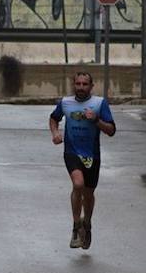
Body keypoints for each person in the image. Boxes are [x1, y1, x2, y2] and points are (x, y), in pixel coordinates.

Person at [49, 71, 116, 249]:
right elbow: (54, 118)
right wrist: (55, 133)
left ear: (91, 86)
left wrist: (96, 120)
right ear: (74, 85)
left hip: (92, 154)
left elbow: (111, 130)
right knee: (78, 184)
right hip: (72, 152)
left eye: (84, 84)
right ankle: (76, 226)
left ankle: (87, 223)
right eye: (78, 84)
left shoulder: (99, 104)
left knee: (88, 193)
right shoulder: (65, 102)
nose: (80, 87)